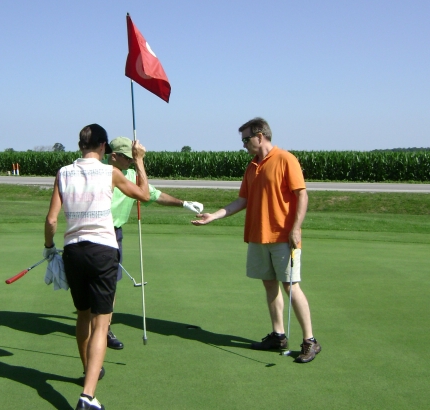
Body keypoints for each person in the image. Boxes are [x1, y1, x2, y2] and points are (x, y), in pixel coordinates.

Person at [192, 117, 321, 363]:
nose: (243, 144)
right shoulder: (252, 166)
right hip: (258, 235)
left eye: (246, 139)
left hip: (284, 236)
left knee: (290, 286)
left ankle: (310, 341)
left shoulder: (286, 159)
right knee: (269, 285)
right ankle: (278, 335)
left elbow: (301, 196)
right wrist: (214, 216)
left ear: (260, 136)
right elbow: (243, 200)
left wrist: (296, 228)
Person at [44, 124, 151, 410]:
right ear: (103, 147)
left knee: (82, 316)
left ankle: (88, 371)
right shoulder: (110, 172)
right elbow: (145, 194)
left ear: (80, 145)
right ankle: (88, 396)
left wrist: (48, 248)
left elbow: (52, 220)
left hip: (73, 251)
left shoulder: (63, 173)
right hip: (103, 250)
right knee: (101, 324)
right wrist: (139, 160)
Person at [104, 136, 204, 350]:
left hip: (115, 234)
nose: (132, 161)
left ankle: (104, 329)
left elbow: (152, 195)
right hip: (94, 232)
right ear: (114, 156)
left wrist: (184, 204)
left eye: (134, 158)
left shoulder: (131, 174)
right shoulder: (100, 173)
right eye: (128, 158)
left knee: (110, 285)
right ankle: (93, 327)